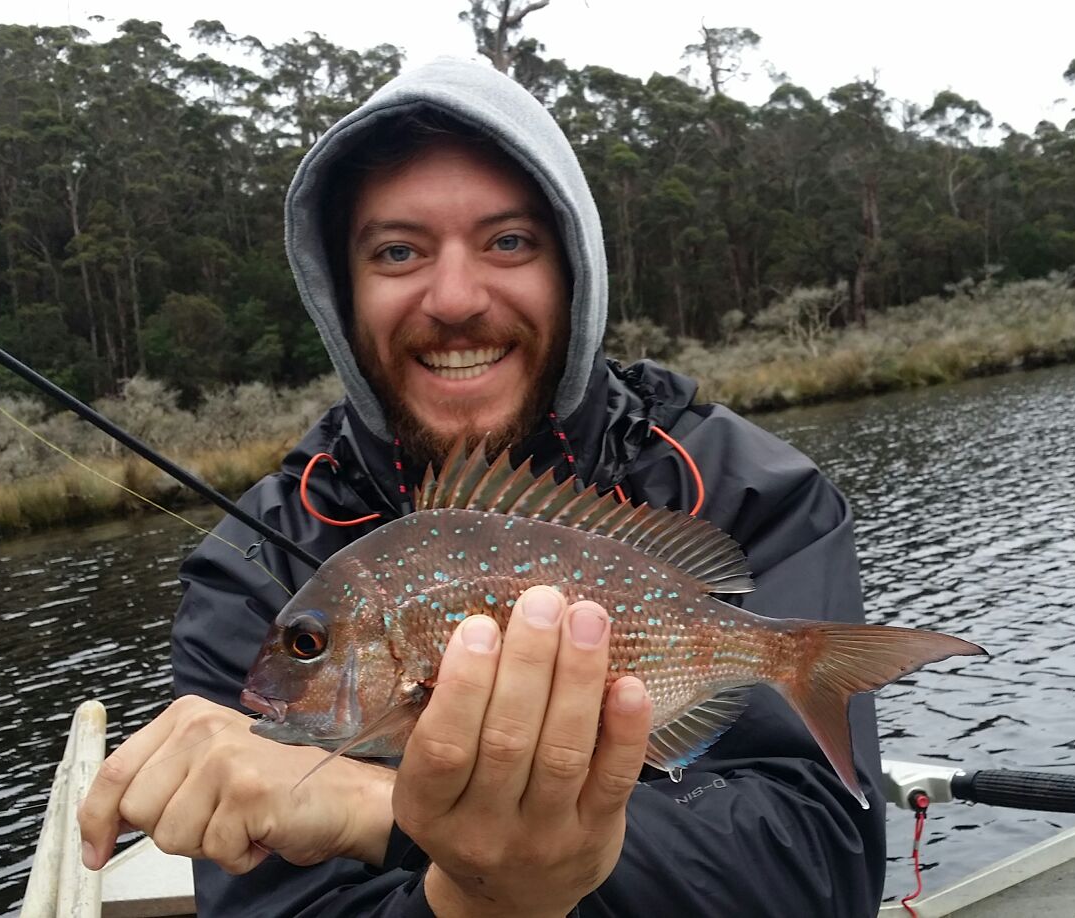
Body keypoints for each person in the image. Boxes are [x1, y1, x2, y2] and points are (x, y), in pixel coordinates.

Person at [78, 57, 886, 917]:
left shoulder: (741, 489)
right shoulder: (253, 565)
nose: (456, 298)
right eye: (397, 251)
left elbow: (822, 873)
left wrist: (383, 810)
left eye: (508, 241)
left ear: (573, 270)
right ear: (339, 299)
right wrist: (486, 898)